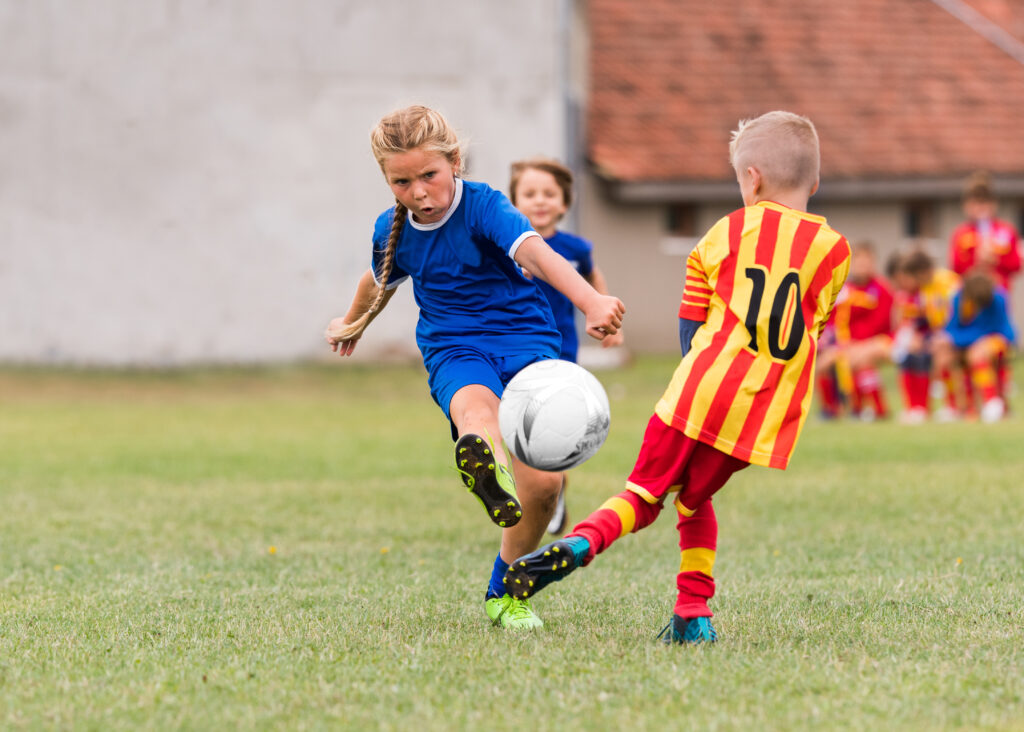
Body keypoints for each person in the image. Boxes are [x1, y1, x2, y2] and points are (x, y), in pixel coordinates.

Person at [502, 111, 850, 644]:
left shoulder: (730, 229)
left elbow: (691, 318)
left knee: (643, 495)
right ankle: (694, 614)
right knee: (693, 500)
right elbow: (815, 327)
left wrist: (695, 371)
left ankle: (580, 543)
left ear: (751, 179)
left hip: (699, 391)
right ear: (816, 182)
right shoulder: (835, 251)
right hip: (762, 412)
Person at [324, 106, 625, 630]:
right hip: (453, 346)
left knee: (546, 488)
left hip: (527, 343)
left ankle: (506, 591)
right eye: (402, 182)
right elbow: (377, 280)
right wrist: (352, 323)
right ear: (386, 180)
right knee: (475, 407)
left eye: (428, 176)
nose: (418, 191)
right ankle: (484, 462)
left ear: (454, 162)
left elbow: (536, 254)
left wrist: (590, 301)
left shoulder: (485, 205)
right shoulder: (392, 229)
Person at [508, 157, 624, 535]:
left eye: (549, 194)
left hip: (561, 353)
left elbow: (593, 274)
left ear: (564, 203)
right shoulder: (506, 245)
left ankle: (553, 491)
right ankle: (528, 491)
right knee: (516, 426)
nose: (539, 201)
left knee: (554, 428)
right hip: (514, 349)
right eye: (529, 194)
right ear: (514, 202)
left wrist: (608, 318)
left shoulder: (575, 247)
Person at [948, 171, 1020, 400]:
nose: (980, 209)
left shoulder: (1005, 232)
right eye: (975, 203)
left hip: (998, 300)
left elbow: (1016, 264)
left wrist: (996, 259)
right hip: (971, 301)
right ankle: (970, 398)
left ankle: (1002, 388)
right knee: (969, 347)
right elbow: (956, 268)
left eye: (985, 203)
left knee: (998, 345)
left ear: (994, 204)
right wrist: (976, 260)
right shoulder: (962, 235)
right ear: (967, 206)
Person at [816, 241, 893, 420]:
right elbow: (832, 320)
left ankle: (874, 408)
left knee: (860, 359)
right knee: (825, 362)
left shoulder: (882, 289)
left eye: (867, 262)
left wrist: (856, 343)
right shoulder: (843, 289)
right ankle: (831, 410)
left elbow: (881, 323)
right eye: (859, 262)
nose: (863, 266)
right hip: (847, 344)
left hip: (880, 340)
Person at [933, 272, 1015, 422]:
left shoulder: (997, 298)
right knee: (943, 355)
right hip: (968, 343)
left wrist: (955, 338)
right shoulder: (959, 299)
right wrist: (945, 337)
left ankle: (992, 403)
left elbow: (989, 329)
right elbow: (952, 327)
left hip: (998, 339)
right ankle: (954, 408)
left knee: (977, 353)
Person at [890, 249, 959, 423]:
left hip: (956, 334)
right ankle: (917, 408)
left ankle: (952, 407)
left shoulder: (948, 282)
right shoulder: (924, 288)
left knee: (941, 354)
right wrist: (917, 337)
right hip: (936, 334)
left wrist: (944, 335)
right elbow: (927, 319)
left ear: (922, 272)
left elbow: (959, 314)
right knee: (908, 355)